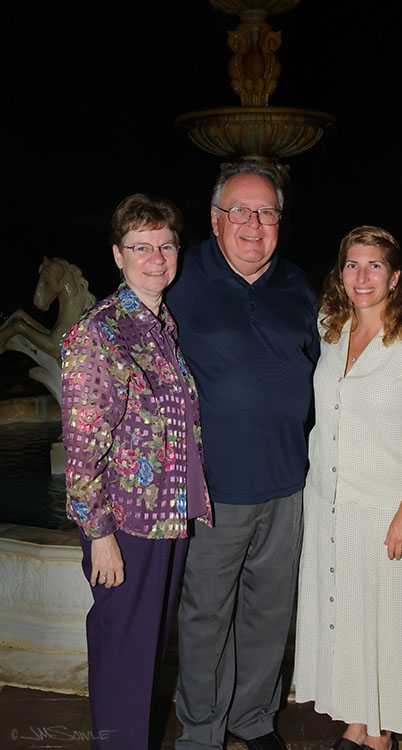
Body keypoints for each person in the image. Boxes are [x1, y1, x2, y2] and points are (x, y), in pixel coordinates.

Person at [166, 161, 319, 750]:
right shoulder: (180, 276)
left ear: (279, 221)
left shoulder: (298, 285)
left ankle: (253, 718)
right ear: (215, 219)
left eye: (266, 212)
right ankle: (202, 730)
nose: (253, 223)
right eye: (240, 211)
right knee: (205, 616)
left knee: (268, 613)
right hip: (212, 487)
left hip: (288, 483)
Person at [294, 226, 402, 750]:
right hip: (329, 501)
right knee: (345, 612)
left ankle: (379, 734)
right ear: (339, 275)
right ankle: (357, 722)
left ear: (396, 276)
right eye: (352, 265)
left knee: (385, 621)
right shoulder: (331, 328)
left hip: (385, 503)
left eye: (375, 266)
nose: (362, 276)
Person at [61, 193, 211, 750]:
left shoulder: (161, 325)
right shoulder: (99, 332)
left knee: (141, 655)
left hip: (165, 519)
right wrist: (99, 536)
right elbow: (80, 451)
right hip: (126, 526)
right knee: (123, 655)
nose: (156, 257)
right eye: (141, 247)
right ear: (118, 256)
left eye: (166, 245)